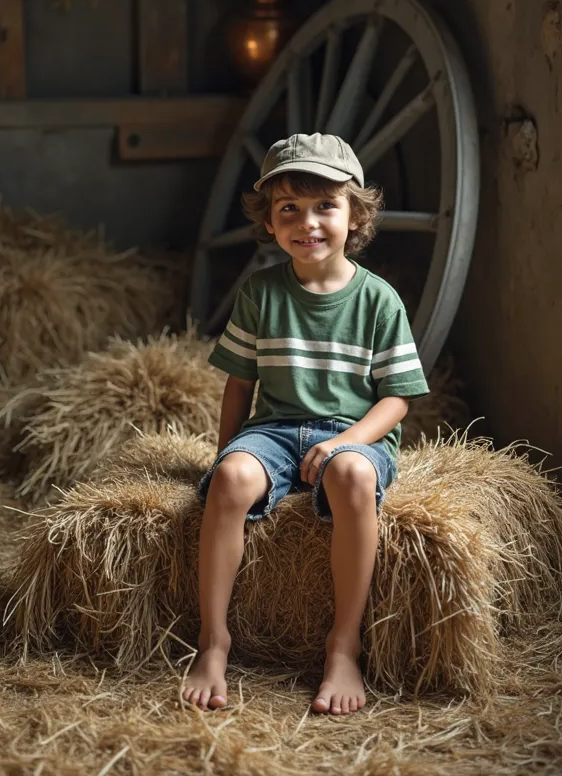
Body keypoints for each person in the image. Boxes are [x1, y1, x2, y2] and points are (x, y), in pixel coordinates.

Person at [183, 132, 429, 715]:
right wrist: (226, 460)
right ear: (269, 221)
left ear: (356, 215)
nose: (307, 222)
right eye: (288, 208)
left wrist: (347, 441)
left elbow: (397, 400)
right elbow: (239, 383)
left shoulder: (379, 300)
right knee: (234, 479)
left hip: (353, 432)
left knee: (350, 476)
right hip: (274, 432)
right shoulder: (261, 294)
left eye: (326, 206)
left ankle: (343, 647)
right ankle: (213, 641)